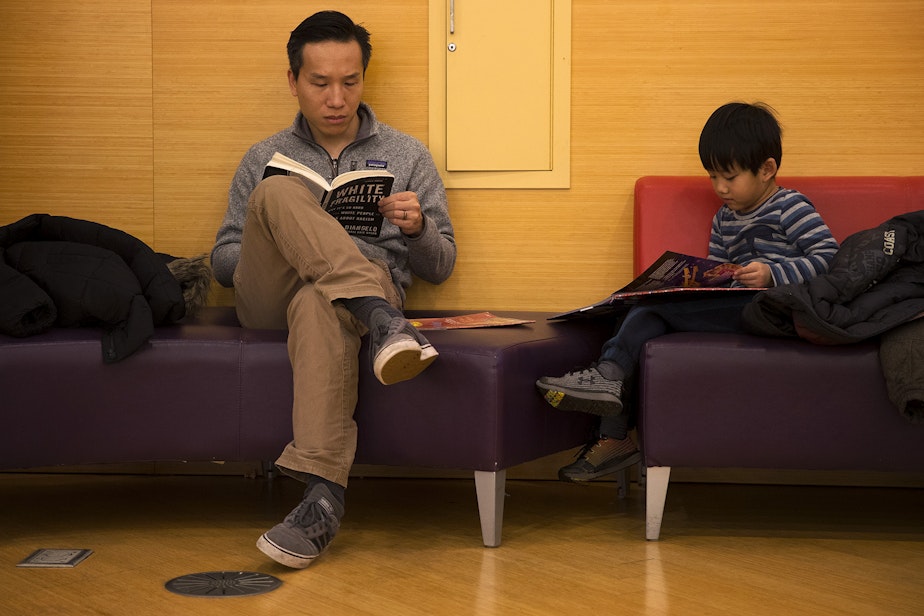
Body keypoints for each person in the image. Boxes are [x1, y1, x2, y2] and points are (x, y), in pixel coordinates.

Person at [211, 11, 456, 568]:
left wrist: (416, 230)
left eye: (350, 81)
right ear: (294, 81)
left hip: (341, 300)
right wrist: (293, 227)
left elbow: (441, 265)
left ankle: (322, 501)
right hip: (271, 298)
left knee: (321, 302)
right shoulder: (263, 156)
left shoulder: (407, 154)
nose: (336, 97)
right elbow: (224, 262)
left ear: (364, 79)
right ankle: (382, 321)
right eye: (320, 83)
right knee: (278, 194)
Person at [536, 102, 839, 483]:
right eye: (713, 177)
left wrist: (773, 274)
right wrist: (702, 280)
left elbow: (830, 258)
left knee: (652, 314)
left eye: (729, 176)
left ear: (767, 169)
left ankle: (608, 381)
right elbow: (717, 270)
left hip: (774, 308)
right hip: (736, 307)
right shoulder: (724, 217)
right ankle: (612, 435)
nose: (720, 188)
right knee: (633, 314)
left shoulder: (788, 207)